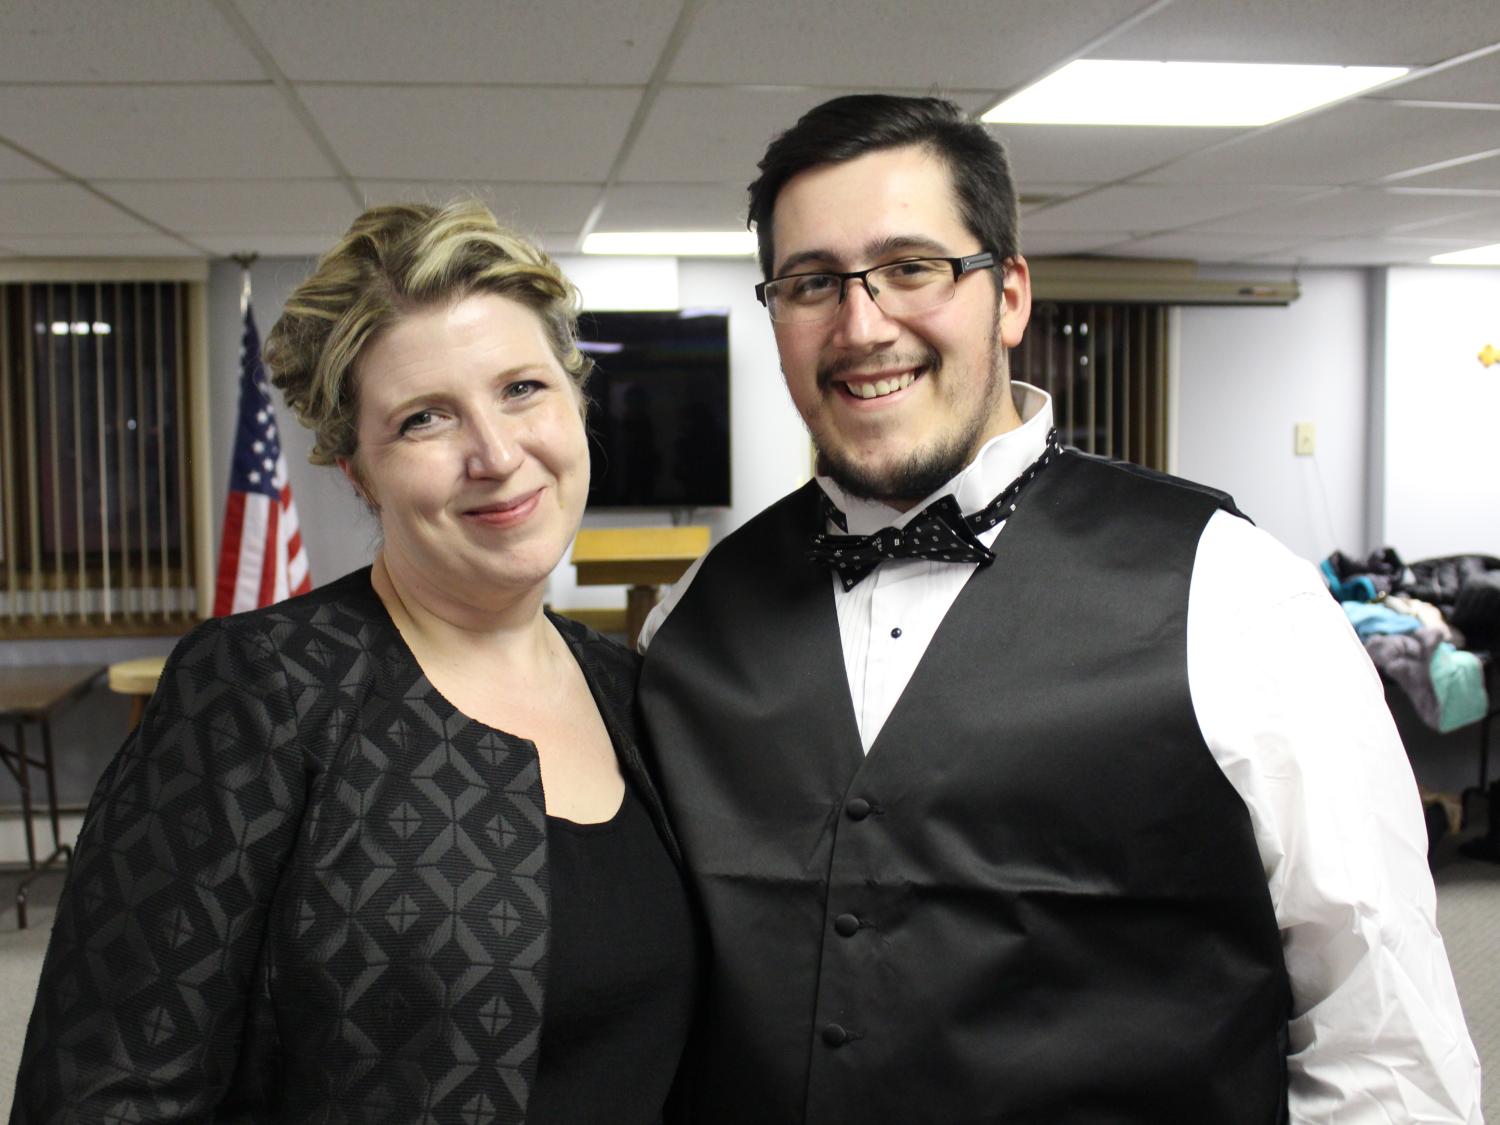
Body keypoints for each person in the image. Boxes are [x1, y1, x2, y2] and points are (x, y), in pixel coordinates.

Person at [637, 94, 1481, 1123]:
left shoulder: (1233, 591)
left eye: (912, 268)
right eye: (813, 283)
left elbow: (1382, 1039)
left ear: (1009, 296)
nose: (862, 326)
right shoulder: (688, 621)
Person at [12, 201, 698, 1124]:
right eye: (425, 418)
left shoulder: (635, 695)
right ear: (358, 471)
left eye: (523, 388)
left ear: (576, 398)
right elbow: (106, 1089)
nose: (495, 453)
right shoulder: (260, 690)